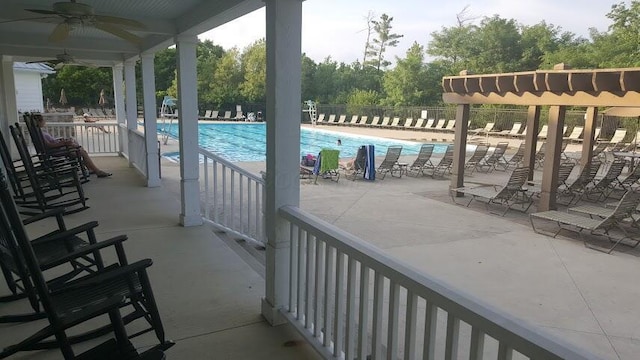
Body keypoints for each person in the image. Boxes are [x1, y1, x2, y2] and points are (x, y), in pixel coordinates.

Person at [36, 115, 112, 178]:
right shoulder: (40, 134)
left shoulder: (40, 131)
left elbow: (51, 142)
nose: (44, 122)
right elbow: (48, 145)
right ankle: (97, 171)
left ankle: (91, 169)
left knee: (76, 146)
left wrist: (62, 141)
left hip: (58, 148)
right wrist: (64, 143)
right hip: (55, 151)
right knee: (82, 151)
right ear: (39, 122)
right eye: (43, 120)